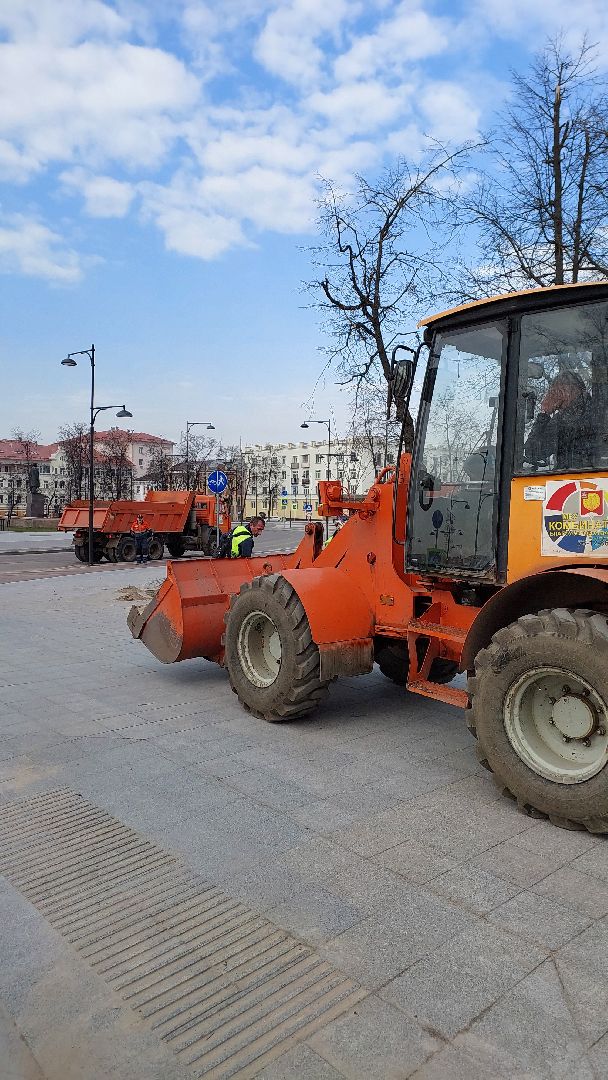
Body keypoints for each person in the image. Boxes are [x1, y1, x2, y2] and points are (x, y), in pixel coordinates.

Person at [525, 369, 594, 471]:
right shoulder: (559, 420)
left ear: (576, 390)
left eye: (560, 390)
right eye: (554, 391)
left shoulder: (594, 412)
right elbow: (533, 453)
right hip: (562, 480)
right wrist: (544, 414)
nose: (556, 395)